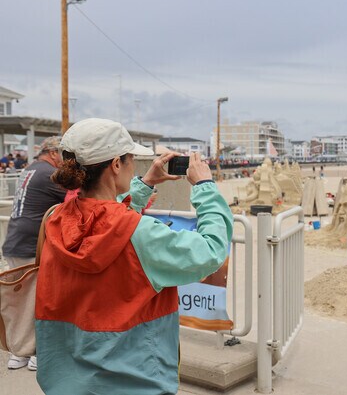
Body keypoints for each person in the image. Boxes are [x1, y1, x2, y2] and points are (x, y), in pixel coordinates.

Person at [34, 118, 233, 395]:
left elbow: (102, 218)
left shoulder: (55, 219)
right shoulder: (141, 234)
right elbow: (211, 251)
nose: (133, 166)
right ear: (116, 165)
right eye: (130, 159)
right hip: (134, 383)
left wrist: (145, 184)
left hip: (66, 381)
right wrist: (205, 188)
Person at [2, 136, 66, 371]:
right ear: (53, 154)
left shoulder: (29, 169)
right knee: (41, 300)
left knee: (21, 302)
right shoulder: (49, 174)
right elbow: (77, 198)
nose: (65, 161)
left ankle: (20, 351)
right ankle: (37, 352)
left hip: (14, 240)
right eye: (64, 155)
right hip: (31, 244)